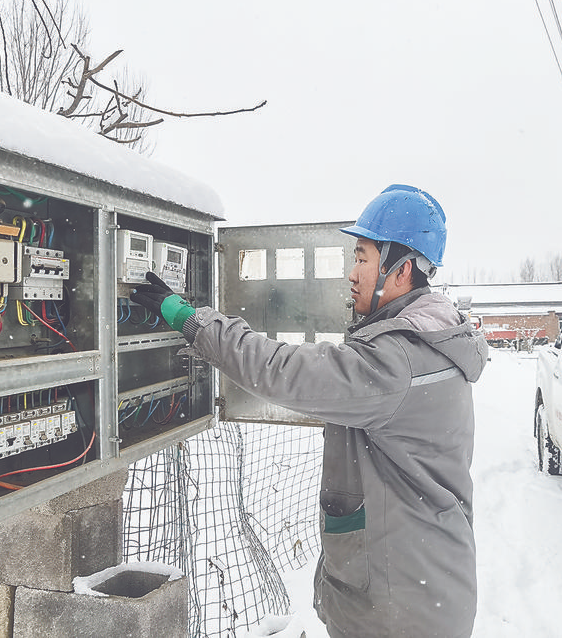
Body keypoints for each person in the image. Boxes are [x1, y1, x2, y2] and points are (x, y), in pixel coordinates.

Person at [132, 184, 488, 638]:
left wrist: (191, 319)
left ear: (402, 270)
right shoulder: (431, 345)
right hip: (422, 584)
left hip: (400, 608)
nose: (352, 272)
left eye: (362, 257)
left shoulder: (398, 361)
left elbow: (282, 370)